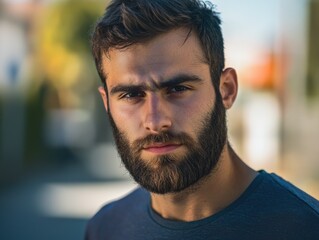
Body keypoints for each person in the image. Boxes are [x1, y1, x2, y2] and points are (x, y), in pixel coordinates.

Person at [85, 0, 319, 239]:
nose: (154, 122)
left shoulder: (306, 228)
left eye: (177, 89)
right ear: (107, 104)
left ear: (226, 89)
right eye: (131, 95)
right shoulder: (105, 228)